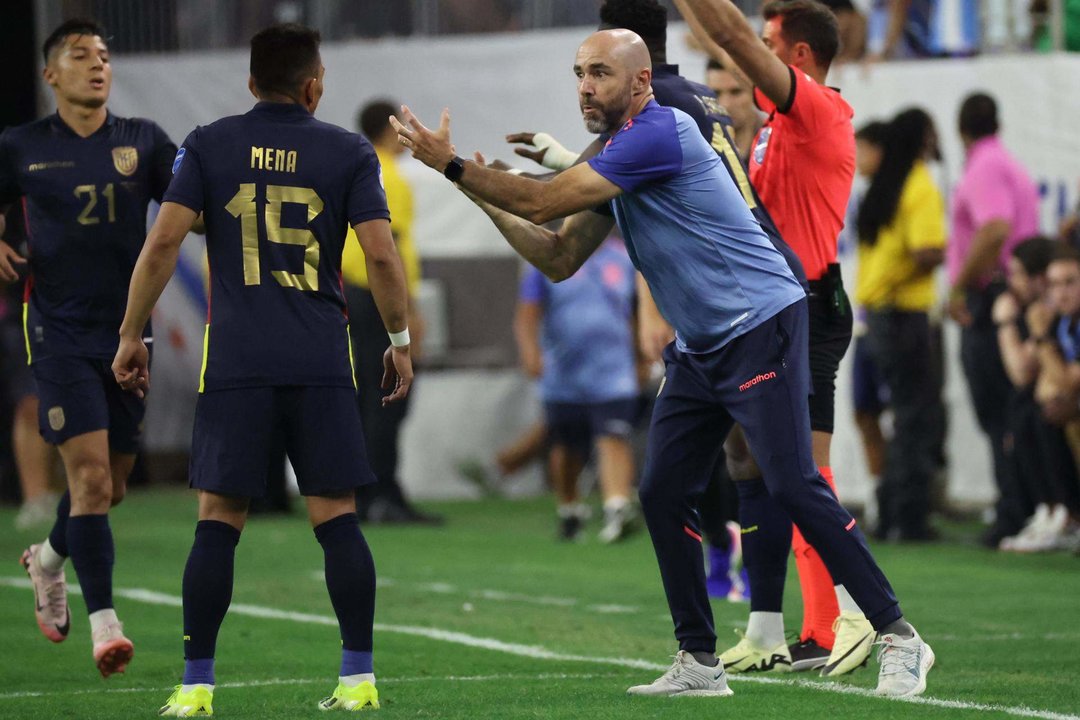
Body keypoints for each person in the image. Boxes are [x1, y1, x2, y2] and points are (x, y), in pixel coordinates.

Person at [393, 27, 933, 699]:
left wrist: (453, 167)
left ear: (640, 82)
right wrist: (479, 191)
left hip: (761, 321)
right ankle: (699, 662)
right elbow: (557, 257)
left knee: (792, 482)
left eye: (600, 73)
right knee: (662, 489)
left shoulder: (660, 133)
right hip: (702, 347)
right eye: (579, 72)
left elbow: (542, 199)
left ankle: (900, 638)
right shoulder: (618, 160)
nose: (585, 85)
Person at [111, 23, 412, 715]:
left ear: (250, 82)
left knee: (218, 520)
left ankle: (195, 687)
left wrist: (132, 334)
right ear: (315, 85)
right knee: (336, 516)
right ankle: (358, 677)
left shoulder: (211, 144)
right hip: (320, 359)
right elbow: (383, 256)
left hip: (238, 362)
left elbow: (162, 241)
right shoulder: (347, 151)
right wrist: (396, 339)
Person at [674, 0, 870, 675]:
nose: (744, 57)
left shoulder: (816, 111)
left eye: (765, 44)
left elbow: (727, 36)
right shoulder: (768, 125)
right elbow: (723, 44)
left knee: (801, 473)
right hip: (770, 309)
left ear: (799, 56)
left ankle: (851, 613)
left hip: (811, 307)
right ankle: (775, 628)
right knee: (748, 465)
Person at [0, 17, 177, 678]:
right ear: (51, 74)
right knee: (92, 480)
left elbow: (191, 201)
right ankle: (106, 626)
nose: (96, 65)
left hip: (130, 330)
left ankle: (46, 558)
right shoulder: (20, 145)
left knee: (114, 488)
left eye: (103, 55)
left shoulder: (144, 141)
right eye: (79, 56)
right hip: (57, 331)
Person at [946, 91, 1040, 548]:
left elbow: (995, 228)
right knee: (1010, 410)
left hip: (993, 295)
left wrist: (960, 284)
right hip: (1007, 291)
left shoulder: (983, 167)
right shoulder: (1005, 161)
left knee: (999, 410)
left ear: (962, 131)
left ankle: (1015, 510)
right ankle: (1024, 505)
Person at [341, 100, 441, 525]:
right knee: (390, 394)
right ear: (390, 128)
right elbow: (390, 246)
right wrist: (408, 310)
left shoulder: (354, 169)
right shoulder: (390, 178)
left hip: (352, 291)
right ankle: (382, 494)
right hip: (378, 293)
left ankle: (368, 494)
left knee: (369, 393)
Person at [855, 108, 946, 542]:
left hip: (875, 316)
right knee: (915, 418)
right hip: (904, 314)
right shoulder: (919, 184)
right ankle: (908, 518)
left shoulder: (882, 188)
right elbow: (928, 250)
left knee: (890, 416)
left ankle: (889, 511)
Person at [514, 234, 640, 542]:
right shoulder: (546, 257)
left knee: (614, 436)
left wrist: (643, 353)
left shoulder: (625, 257)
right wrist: (530, 351)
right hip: (563, 372)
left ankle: (617, 506)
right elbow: (528, 312)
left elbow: (638, 307)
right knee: (567, 446)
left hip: (614, 370)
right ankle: (569, 507)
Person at [994, 238, 1080, 552]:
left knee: (1052, 412)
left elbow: (1067, 382)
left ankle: (1069, 513)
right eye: (1055, 284)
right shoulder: (1064, 323)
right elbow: (1039, 383)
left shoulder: (1049, 323)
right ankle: (1053, 509)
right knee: (1030, 411)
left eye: (1070, 282)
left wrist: (1038, 333)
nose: (1061, 292)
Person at [704, 57, 761, 162]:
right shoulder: (701, 151)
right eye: (716, 93)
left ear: (754, 91)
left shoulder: (775, 143)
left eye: (736, 92)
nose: (726, 104)